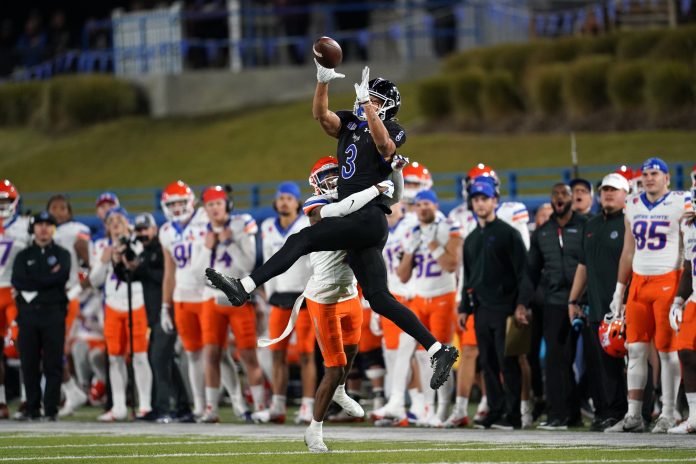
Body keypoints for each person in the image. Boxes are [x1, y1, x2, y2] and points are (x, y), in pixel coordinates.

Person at [206, 64, 458, 390]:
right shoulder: (351, 124)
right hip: (359, 221)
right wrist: (322, 81)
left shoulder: (392, 127)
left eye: (378, 100)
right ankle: (438, 349)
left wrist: (369, 107)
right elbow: (322, 116)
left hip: (367, 216)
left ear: (388, 107)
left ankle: (245, 287)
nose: (369, 102)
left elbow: (385, 148)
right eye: (369, 98)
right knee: (380, 298)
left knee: (301, 238)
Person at [262, 155, 402, 451]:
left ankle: (339, 391)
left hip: (350, 292)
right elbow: (340, 209)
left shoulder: (357, 198)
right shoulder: (315, 205)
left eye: (337, 173)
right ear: (315, 182)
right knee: (334, 367)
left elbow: (392, 197)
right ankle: (315, 429)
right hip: (323, 298)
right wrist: (374, 189)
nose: (333, 179)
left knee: (350, 357)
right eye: (327, 175)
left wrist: (394, 172)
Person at [605, 158, 691, 433]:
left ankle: (668, 412)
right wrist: (620, 288)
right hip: (639, 283)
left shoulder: (682, 201)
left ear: (667, 177)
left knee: (667, 352)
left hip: (668, 279)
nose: (649, 178)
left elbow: (688, 244)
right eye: (646, 174)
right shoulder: (632, 204)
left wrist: (684, 291)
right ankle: (634, 416)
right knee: (635, 349)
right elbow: (628, 251)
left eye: (655, 173)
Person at [460, 181, 531, 430]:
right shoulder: (470, 239)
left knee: (507, 362)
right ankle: (496, 410)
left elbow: (524, 273)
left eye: (484, 198)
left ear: (495, 201)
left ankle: (513, 416)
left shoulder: (508, 233)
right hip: (481, 308)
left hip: (505, 307)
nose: (480, 203)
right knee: (488, 363)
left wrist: (522, 304)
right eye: (476, 199)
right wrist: (463, 308)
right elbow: (468, 277)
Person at [567, 173, 630, 431]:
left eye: (614, 190)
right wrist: (573, 299)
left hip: (624, 307)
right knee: (598, 364)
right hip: (596, 306)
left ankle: (637, 412)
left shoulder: (629, 222)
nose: (608, 194)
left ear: (625, 194)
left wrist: (627, 299)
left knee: (632, 361)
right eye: (604, 189)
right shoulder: (590, 225)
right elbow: (583, 265)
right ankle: (605, 411)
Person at [196, 186, 264, 423]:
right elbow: (196, 274)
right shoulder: (200, 231)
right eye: (210, 204)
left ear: (227, 204)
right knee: (211, 353)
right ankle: (211, 408)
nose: (214, 208)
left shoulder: (241, 224)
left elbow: (248, 264)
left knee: (247, 355)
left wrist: (229, 243)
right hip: (210, 298)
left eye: (218, 203)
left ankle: (260, 406)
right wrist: (207, 247)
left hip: (238, 298)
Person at [397, 190, 463, 427]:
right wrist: (410, 253)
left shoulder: (449, 225)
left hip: (443, 296)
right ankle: (428, 406)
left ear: (435, 205)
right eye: (419, 204)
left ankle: (444, 408)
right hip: (419, 298)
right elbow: (402, 276)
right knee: (422, 357)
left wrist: (433, 245)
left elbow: (452, 263)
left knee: (441, 357)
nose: (422, 207)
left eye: (427, 203)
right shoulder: (412, 232)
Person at [528, 182, 588, 430]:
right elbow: (530, 271)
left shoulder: (587, 226)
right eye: (556, 194)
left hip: (586, 301)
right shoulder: (542, 232)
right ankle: (559, 414)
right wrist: (524, 303)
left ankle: (600, 410)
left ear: (572, 198)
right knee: (556, 360)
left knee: (596, 359)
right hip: (555, 303)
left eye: (564, 193)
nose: (560, 198)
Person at [256, 181, 314, 424]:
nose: (284, 202)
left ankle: (307, 406)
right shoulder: (268, 227)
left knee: (305, 354)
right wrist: (268, 294)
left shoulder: (306, 224)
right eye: (281, 198)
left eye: (289, 198)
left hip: (303, 296)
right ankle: (278, 405)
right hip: (278, 297)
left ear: (297, 202)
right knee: (276, 354)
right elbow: (268, 263)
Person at [89, 208, 152, 421]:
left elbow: (142, 270)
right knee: (114, 357)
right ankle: (118, 406)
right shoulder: (101, 247)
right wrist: (104, 260)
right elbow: (95, 280)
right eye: (111, 221)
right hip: (113, 305)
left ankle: (144, 404)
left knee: (140, 356)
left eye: (119, 220)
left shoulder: (138, 243)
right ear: (106, 226)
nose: (115, 224)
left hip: (136, 302)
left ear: (128, 223)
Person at [126, 213, 190, 422]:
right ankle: (182, 407)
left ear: (155, 229)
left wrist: (141, 268)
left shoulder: (160, 250)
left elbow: (166, 277)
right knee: (166, 360)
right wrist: (123, 262)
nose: (143, 234)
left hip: (167, 310)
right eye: (139, 230)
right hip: (153, 315)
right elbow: (131, 276)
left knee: (159, 359)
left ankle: (162, 407)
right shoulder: (145, 253)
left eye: (146, 229)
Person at [12, 212, 71, 421]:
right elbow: (18, 281)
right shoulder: (23, 255)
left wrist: (36, 281)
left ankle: (51, 408)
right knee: (29, 362)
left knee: (53, 362)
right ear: (33, 228)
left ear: (54, 228)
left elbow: (60, 277)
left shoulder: (63, 254)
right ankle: (33, 407)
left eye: (48, 224)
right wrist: (47, 279)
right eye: (40, 224)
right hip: (28, 315)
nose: (44, 228)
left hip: (53, 312)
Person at [158, 180, 209, 421]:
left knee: (215, 352)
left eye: (180, 202)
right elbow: (169, 272)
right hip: (181, 297)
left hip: (207, 294)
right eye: (173, 204)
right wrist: (165, 305)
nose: (177, 208)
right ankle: (199, 405)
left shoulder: (206, 218)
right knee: (192, 353)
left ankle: (224, 403)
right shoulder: (166, 231)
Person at [47, 194, 90, 416]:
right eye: (53, 207)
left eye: (62, 208)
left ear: (70, 212)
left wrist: (79, 288)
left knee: (58, 347)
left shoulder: (76, 229)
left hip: (67, 295)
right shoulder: (44, 230)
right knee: (50, 347)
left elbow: (87, 261)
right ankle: (69, 392)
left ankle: (72, 391)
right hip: (48, 297)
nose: (58, 211)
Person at [0, 180, 31, 419]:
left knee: (21, 346)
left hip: (14, 292)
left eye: (5, 201)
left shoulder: (25, 225)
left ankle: (26, 397)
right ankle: (1, 401)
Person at [668, 175, 696, 434]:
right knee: (685, 352)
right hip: (695, 299)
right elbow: (688, 267)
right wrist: (678, 299)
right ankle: (694, 417)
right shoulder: (689, 226)